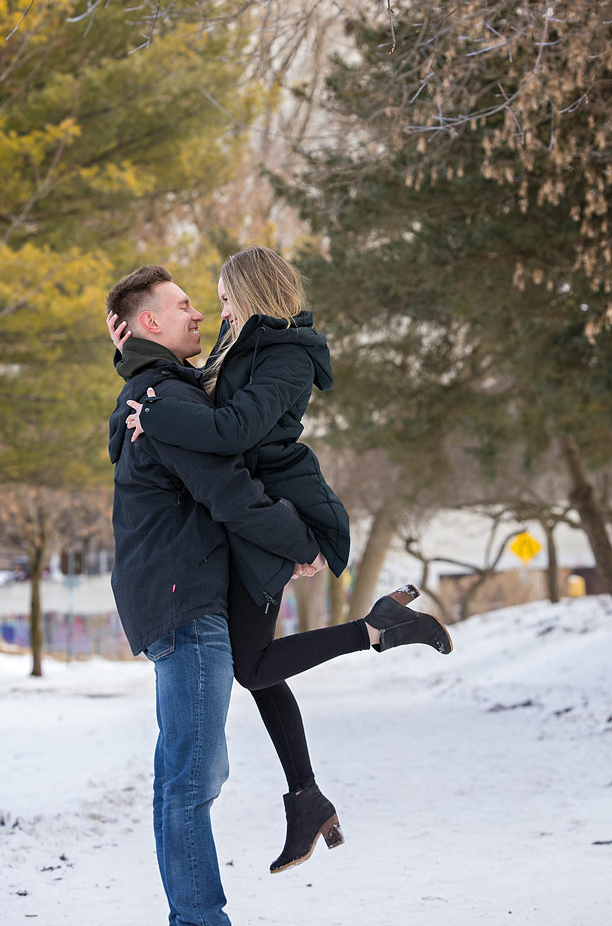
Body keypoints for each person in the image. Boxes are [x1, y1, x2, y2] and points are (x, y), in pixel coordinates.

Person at [107, 246, 453, 879]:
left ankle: (372, 636)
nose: (215, 310)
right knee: (253, 663)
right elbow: (186, 401)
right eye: (199, 302)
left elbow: (231, 430)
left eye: (222, 297)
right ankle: (307, 795)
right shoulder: (240, 350)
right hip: (254, 517)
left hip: (281, 512)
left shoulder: (288, 355)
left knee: (253, 664)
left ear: (250, 291)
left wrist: (154, 410)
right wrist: (132, 355)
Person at [106, 263, 323, 926]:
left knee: (181, 778)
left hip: (174, 597)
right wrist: (301, 542)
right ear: (149, 324)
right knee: (191, 782)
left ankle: (192, 917)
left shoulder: (156, 388)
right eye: (181, 306)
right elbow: (227, 489)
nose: (198, 314)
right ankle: (200, 920)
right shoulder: (163, 396)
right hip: (186, 600)